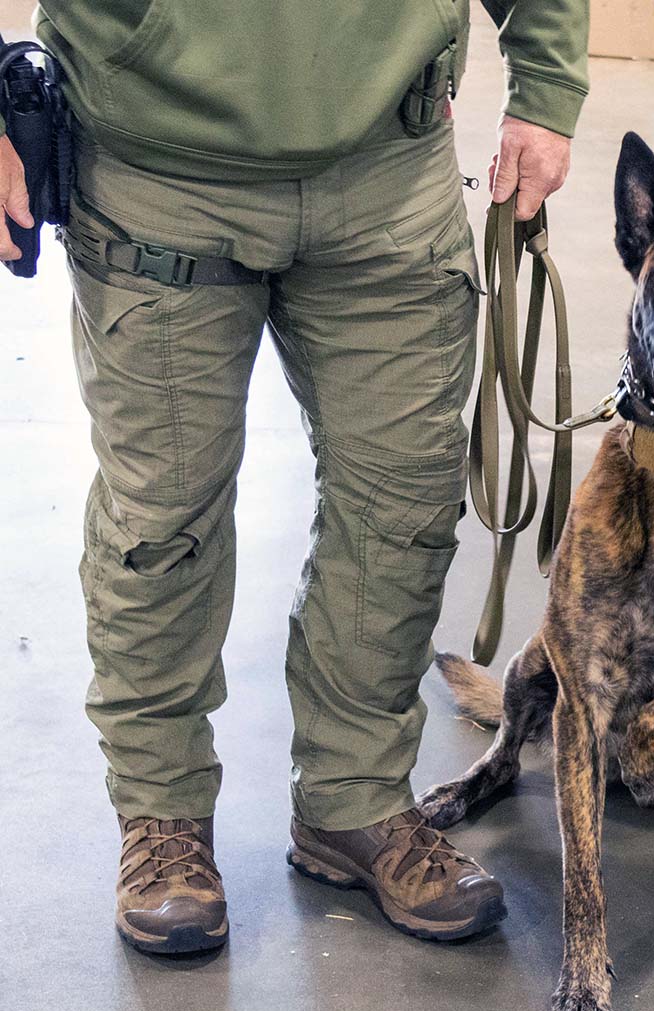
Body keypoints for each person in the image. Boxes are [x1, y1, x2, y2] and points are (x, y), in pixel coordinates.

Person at [0, 0, 589, 954]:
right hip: (156, 164)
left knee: (402, 505)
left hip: (388, 164)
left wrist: (547, 86)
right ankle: (162, 818)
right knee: (161, 522)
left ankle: (354, 802)